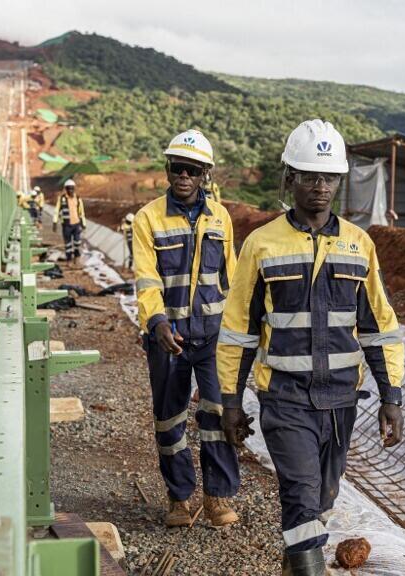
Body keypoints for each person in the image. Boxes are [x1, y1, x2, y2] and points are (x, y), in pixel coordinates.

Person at [216, 119, 405, 576]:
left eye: (328, 178)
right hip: (285, 399)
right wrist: (230, 401)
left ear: (338, 181)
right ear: (290, 178)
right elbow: (239, 328)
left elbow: (378, 326)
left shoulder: (360, 245)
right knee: (300, 497)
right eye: (309, 176)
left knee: (322, 498)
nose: (320, 187)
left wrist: (391, 396)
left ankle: (294, 564)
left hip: (341, 401)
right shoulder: (261, 244)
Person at [132, 129, 241, 529]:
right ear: (167, 169)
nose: (184, 176)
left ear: (205, 175)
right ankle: (179, 498)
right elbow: (146, 278)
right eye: (178, 167)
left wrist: (238, 333)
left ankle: (217, 496)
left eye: (193, 170)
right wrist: (157, 321)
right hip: (168, 338)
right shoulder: (148, 219)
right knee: (170, 419)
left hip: (213, 337)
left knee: (218, 414)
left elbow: (232, 279)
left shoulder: (221, 218)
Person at [55, 179, 86, 261]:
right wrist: (54, 222)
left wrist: (83, 223)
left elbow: (81, 212)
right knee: (68, 243)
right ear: (66, 189)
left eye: (72, 188)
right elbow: (57, 210)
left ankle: (77, 257)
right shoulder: (62, 199)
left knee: (77, 242)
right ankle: (69, 259)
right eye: (68, 188)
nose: (70, 190)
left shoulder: (78, 198)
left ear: (74, 188)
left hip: (76, 224)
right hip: (66, 225)